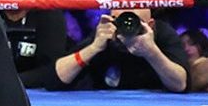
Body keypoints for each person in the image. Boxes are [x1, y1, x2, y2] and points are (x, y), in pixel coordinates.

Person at [54, 9, 188, 92]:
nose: (126, 28)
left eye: (135, 22)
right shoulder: (106, 34)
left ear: (150, 25)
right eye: (119, 21)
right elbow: (54, 79)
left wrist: (152, 52)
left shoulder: (162, 34)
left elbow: (180, 84)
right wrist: (93, 48)